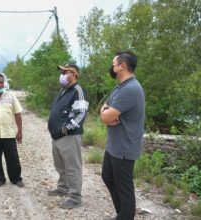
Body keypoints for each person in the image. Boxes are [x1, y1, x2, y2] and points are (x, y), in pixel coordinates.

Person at [100, 51, 145, 220]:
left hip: (124, 147)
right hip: (114, 145)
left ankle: (125, 216)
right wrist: (106, 113)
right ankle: (122, 215)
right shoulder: (121, 86)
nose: (111, 67)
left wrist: (106, 114)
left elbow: (105, 115)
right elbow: (104, 109)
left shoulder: (131, 89)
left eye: (113, 64)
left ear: (122, 66)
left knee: (125, 189)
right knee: (108, 177)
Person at [47, 63, 89, 209]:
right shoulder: (64, 90)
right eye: (62, 72)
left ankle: (75, 197)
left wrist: (66, 128)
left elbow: (81, 113)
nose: (62, 75)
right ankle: (63, 188)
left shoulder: (78, 90)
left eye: (66, 72)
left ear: (74, 74)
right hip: (57, 136)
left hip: (69, 137)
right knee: (60, 165)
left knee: (72, 167)